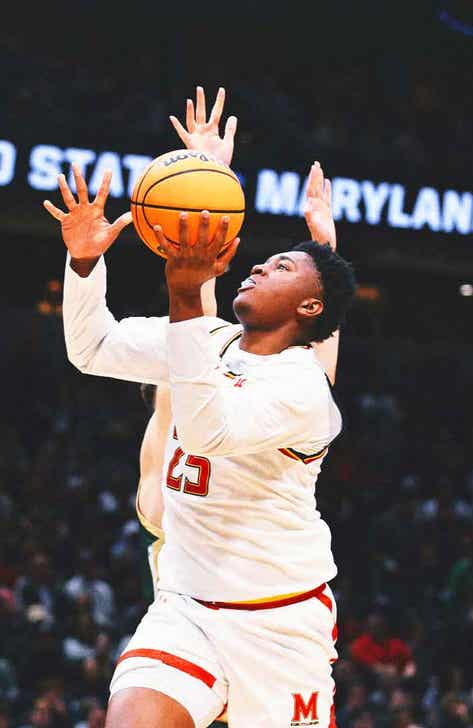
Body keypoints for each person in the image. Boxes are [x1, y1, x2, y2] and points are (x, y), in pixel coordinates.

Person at [44, 85, 358, 728]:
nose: (259, 267)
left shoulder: (301, 388)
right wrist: (82, 264)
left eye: (281, 267)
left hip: (280, 623)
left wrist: (187, 294)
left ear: (310, 308)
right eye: (262, 261)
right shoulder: (207, 339)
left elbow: (209, 427)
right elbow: (91, 346)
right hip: (184, 607)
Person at [136, 87, 340, 598]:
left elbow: (313, 359)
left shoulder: (281, 394)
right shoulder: (171, 434)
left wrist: (324, 256)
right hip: (199, 601)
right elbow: (195, 331)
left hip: (271, 605)